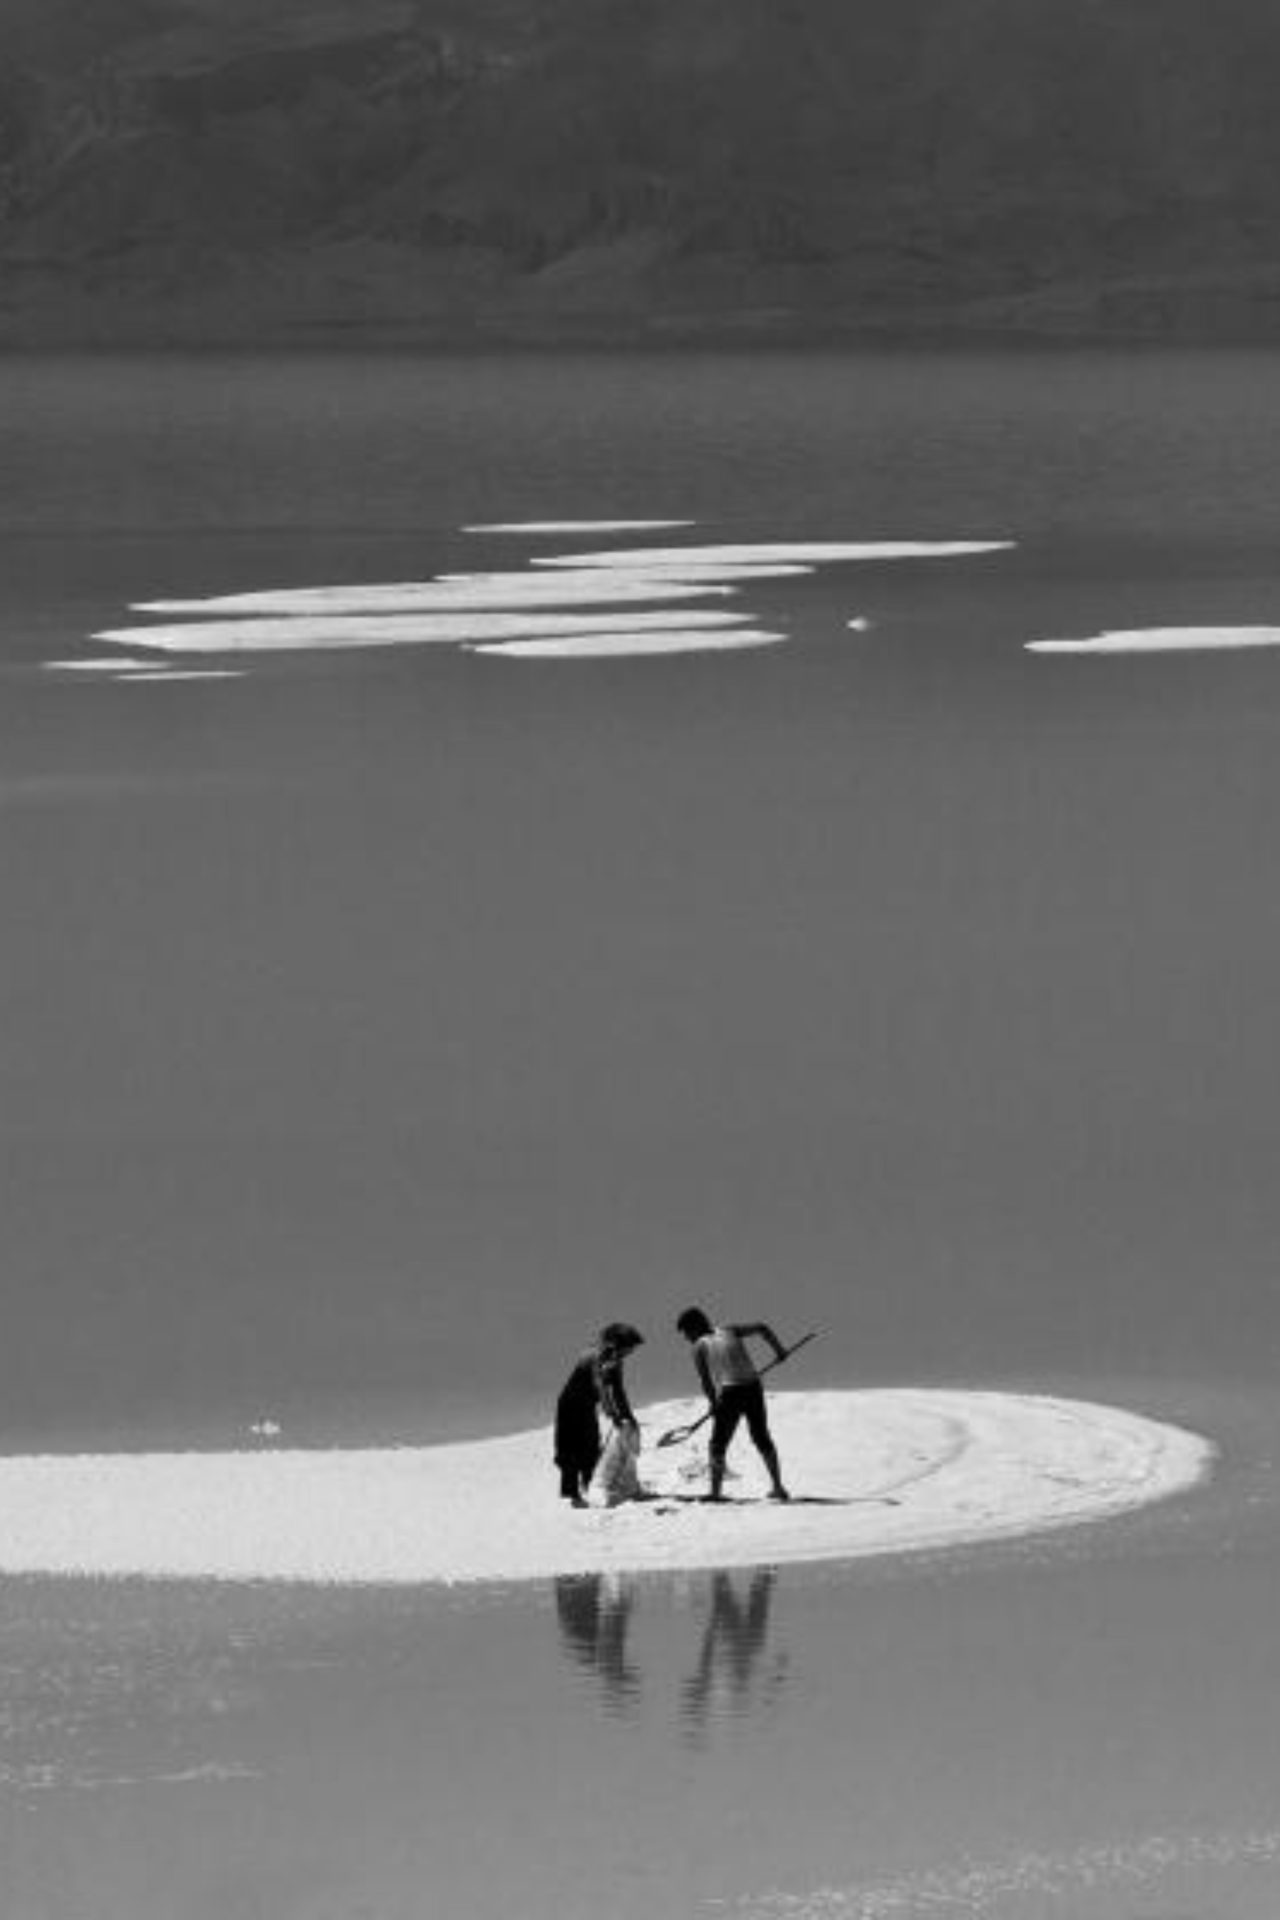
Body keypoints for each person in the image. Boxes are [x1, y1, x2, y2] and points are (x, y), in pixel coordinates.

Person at [675, 1307, 790, 1502]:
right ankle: (778, 1487)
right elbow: (762, 1328)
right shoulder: (729, 1330)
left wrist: (713, 1403)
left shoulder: (699, 1347)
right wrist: (779, 1350)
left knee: (717, 1444)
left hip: (730, 1392)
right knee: (761, 1437)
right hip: (753, 1387)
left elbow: (706, 1381)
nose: (686, 1338)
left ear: (694, 1327)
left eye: (686, 1332)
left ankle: (715, 1493)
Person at [554, 1322, 644, 1506]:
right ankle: (573, 1495)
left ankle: (590, 1489)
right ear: (618, 1343)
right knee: (570, 1448)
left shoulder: (616, 1361)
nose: (630, 1353)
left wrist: (628, 1415)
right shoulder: (594, 1354)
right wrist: (613, 1414)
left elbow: (618, 1390)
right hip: (570, 1404)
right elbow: (600, 1386)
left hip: (588, 1405)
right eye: (629, 1348)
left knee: (591, 1444)